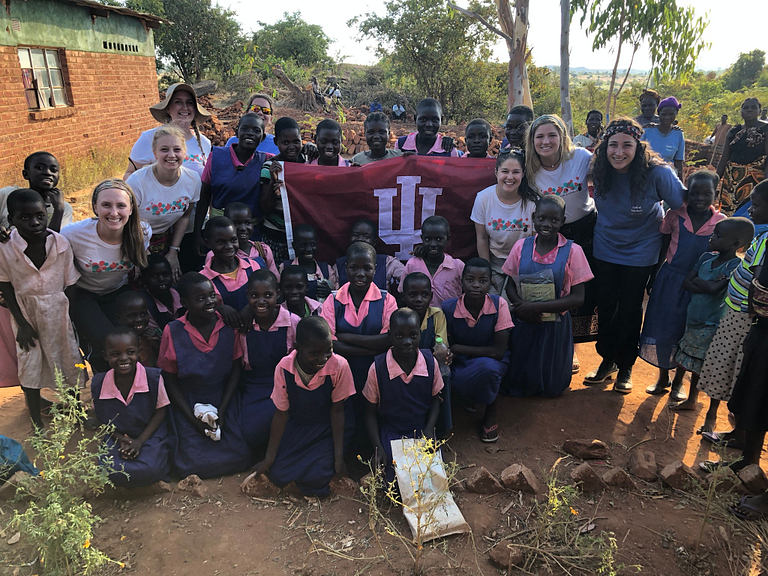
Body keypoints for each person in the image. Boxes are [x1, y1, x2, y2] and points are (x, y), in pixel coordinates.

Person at [584, 118, 685, 393]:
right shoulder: (599, 168)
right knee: (605, 306)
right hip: (605, 247)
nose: (619, 152)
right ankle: (607, 361)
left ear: (638, 147)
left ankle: (626, 366)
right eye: (613, 145)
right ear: (604, 147)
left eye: (627, 145)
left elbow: (682, 206)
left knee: (629, 309)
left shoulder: (658, 173)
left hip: (642, 251)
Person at [0, 189, 85, 429]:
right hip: (25, 314)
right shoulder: (6, 247)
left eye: (39, 215)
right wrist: (22, 324)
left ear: (46, 214)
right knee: (30, 366)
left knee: (69, 360)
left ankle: (75, 410)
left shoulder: (60, 243)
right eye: (24, 217)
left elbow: (71, 284)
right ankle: (36, 420)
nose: (34, 222)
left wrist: (71, 318)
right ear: (11, 219)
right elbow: (5, 286)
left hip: (59, 312)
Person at [158, 272, 253, 478]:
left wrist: (224, 409)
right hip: (189, 400)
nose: (209, 302)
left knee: (240, 456)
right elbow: (170, 380)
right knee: (187, 464)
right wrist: (193, 420)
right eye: (200, 299)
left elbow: (236, 369)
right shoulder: (173, 331)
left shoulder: (228, 325)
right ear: (185, 303)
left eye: (211, 296)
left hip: (223, 396)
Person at [640, 170, 725, 398]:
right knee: (665, 327)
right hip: (670, 279)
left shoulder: (721, 223)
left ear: (715, 194)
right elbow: (663, 245)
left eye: (706, 193)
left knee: (687, 331)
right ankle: (663, 377)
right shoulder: (675, 214)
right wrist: (653, 276)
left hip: (699, 286)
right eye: (694, 193)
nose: (699, 198)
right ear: (686, 193)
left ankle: (679, 381)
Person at [695, 182, 768, 438]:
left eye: (756, 205)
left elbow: (759, 283)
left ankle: (736, 428)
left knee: (730, 367)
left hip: (742, 318)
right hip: (736, 313)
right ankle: (723, 423)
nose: (750, 209)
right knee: (727, 367)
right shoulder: (762, 237)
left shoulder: (765, 241)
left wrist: (751, 310)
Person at [501, 195, 593, 397]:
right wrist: (521, 306)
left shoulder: (573, 251)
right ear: (534, 218)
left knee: (551, 385)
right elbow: (509, 284)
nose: (547, 224)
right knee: (519, 378)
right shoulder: (521, 247)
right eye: (542, 218)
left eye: (554, 220)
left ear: (562, 221)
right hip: (525, 321)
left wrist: (535, 307)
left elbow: (578, 298)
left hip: (555, 325)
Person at [254, 316, 354, 497]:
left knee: (320, 474)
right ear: (298, 348)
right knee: (278, 473)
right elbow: (281, 414)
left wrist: (339, 458)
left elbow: (338, 411)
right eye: (315, 353)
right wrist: (269, 457)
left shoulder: (339, 366)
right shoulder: (284, 368)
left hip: (328, 427)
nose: (323, 358)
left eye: (328, 351)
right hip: (300, 424)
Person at [666, 218, 753, 425]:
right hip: (693, 318)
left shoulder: (735, 265)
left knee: (705, 366)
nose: (712, 238)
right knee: (685, 356)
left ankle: (711, 414)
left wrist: (701, 282)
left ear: (735, 244)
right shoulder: (706, 258)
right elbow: (688, 283)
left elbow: (713, 289)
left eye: (719, 236)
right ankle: (690, 398)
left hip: (712, 324)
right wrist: (705, 283)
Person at [526, 114, 597, 356]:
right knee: (554, 287)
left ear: (562, 137)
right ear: (532, 141)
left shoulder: (580, 158)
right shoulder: (529, 168)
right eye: (540, 136)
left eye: (552, 135)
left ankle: (573, 348)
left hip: (585, 230)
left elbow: (608, 175)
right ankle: (551, 343)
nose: (546, 141)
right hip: (552, 232)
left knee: (580, 290)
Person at [62, 179, 150, 373]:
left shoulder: (142, 233)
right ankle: (104, 390)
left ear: (131, 208)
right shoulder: (73, 234)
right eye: (106, 205)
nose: (114, 212)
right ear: (95, 207)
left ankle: (134, 389)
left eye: (121, 206)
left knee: (127, 342)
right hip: (84, 293)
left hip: (119, 291)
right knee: (105, 343)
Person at [125, 84, 211, 274]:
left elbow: (203, 181)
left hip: (186, 223)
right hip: (150, 224)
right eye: (178, 102)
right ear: (168, 108)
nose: (184, 107)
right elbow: (130, 175)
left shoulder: (204, 142)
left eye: (189, 103)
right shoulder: (149, 138)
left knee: (183, 271)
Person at [320, 241, 397, 431]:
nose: (360, 274)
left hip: (376, 370)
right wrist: (371, 347)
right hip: (342, 371)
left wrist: (345, 337)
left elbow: (389, 340)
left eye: (367, 268)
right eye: (354, 268)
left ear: (375, 269)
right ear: (346, 268)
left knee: (373, 414)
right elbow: (328, 342)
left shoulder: (387, 299)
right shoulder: (333, 299)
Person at [364, 308, 443, 481]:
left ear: (420, 335)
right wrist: (378, 448)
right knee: (395, 480)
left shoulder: (430, 363)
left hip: (421, 431)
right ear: (390, 335)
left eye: (413, 335)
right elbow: (369, 412)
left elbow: (435, 400)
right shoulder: (378, 368)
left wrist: (429, 430)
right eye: (400, 336)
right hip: (392, 432)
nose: (407, 341)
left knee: (429, 479)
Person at [442, 258, 512, 443]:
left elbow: (498, 352)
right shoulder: (448, 308)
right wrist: (454, 352)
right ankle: (467, 399)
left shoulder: (499, 305)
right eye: (470, 279)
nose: (476, 285)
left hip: (491, 360)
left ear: (491, 283)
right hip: (459, 363)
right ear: (461, 281)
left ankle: (491, 412)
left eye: (483, 281)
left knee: (487, 370)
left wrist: (459, 348)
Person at [92, 326, 172, 487]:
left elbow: (160, 411)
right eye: (115, 354)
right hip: (117, 436)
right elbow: (103, 419)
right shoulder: (99, 383)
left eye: (130, 352)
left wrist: (140, 441)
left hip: (149, 433)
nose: (123, 358)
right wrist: (122, 440)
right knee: (108, 467)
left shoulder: (153, 378)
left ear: (139, 352)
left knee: (150, 467)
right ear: (105, 356)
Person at [126, 124, 201, 279]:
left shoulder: (193, 180)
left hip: (165, 239)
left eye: (177, 149)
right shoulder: (137, 182)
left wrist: (173, 251)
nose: (171, 155)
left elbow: (185, 216)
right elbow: (127, 221)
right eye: (164, 149)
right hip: (133, 238)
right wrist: (141, 254)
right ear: (154, 153)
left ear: (185, 152)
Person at [238, 270, 300, 448]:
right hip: (255, 386)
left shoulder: (293, 323)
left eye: (268, 295)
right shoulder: (244, 327)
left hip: (287, 384)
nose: (261, 301)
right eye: (254, 296)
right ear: (247, 296)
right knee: (249, 433)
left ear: (278, 295)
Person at [195, 113, 271, 254]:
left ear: (263, 137)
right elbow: (204, 195)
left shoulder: (266, 160)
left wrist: (310, 149)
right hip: (219, 234)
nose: (250, 133)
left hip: (251, 235)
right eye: (245, 129)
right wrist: (198, 233)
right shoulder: (217, 156)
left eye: (256, 130)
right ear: (237, 132)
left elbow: (291, 159)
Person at [723, 253, 768, 473]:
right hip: (762, 328)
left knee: (756, 395)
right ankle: (749, 462)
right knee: (755, 397)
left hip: (764, 329)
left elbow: (760, 297)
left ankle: (750, 462)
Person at [471, 149, 537, 297]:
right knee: (491, 303)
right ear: (496, 172)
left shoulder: (532, 203)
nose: (510, 177)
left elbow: (534, 242)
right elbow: (481, 238)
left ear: (523, 174)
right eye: (505, 171)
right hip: (495, 264)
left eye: (516, 172)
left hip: (523, 265)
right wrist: (486, 272)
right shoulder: (483, 198)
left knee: (512, 306)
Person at [401, 272, 452, 436]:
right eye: (412, 295)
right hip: (404, 363)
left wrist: (441, 352)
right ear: (403, 296)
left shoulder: (436, 315)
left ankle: (441, 426)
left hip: (430, 365)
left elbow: (440, 345)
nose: (418, 299)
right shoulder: (400, 317)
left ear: (431, 296)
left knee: (444, 374)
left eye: (424, 295)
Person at [260, 117, 310, 262]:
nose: (292, 147)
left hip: (300, 237)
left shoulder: (307, 162)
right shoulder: (269, 167)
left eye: (296, 141)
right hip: (274, 235)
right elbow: (264, 207)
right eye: (285, 143)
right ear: (276, 142)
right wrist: (271, 184)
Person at [199, 217, 261, 328]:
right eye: (220, 242)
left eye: (233, 240)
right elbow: (199, 312)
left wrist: (252, 306)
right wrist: (218, 308)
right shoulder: (203, 280)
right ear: (208, 243)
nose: (229, 247)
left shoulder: (252, 266)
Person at [716, 98, 768, 215]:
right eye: (746, 107)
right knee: (728, 215)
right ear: (741, 112)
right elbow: (724, 159)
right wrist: (714, 181)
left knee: (752, 214)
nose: (749, 110)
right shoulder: (734, 131)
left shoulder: (766, 129)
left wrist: (765, 183)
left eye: (753, 107)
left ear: (760, 111)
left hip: (755, 182)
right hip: (730, 182)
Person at [0, 151, 73, 233]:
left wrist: (58, 210)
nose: (48, 173)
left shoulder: (63, 208)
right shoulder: (6, 195)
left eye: (53, 170)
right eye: (40, 168)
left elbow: (53, 241)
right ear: (26, 174)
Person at [400, 215, 464, 307]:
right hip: (418, 319)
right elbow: (402, 294)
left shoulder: (458, 266)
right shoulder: (412, 264)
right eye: (428, 239)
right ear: (422, 238)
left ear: (448, 239)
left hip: (449, 319)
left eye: (439, 239)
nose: (433, 244)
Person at [333, 219, 404, 291]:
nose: (360, 239)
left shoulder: (387, 262)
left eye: (366, 237)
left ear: (374, 242)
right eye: (356, 235)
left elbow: (407, 277)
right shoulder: (339, 265)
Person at [280, 224, 337, 300]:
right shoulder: (285, 267)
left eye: (312, 244)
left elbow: (337, 294)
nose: (309, 249)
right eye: (303, 245)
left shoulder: (326, 270)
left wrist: (329, 292)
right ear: (294, 246)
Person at [223, 202, 278, 276]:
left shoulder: (262, 250)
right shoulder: (219, 254)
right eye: (236, 223)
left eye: (248, 223)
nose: (243, 228)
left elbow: (274, 279)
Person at [396, 98, 460, 157]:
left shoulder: (448, 149)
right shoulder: (401, 144)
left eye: (434, 120)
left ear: (441, 120)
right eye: (423, 120)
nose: (429, 124)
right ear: (415, 119)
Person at [115, 290, 161, 368]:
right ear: (119, 319)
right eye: (132, 316)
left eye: (143, 314)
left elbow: (167, 357)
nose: (139, 319)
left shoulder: (155, 334)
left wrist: (157, 344)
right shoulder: (116, 340)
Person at [641, 97, 685, 179]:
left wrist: (680, 185)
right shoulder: (647, 131)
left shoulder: (678, 134)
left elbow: (678, 162)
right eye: (664, 114)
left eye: (671, 114)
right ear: (659, 114)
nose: (667, 117)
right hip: (648, 176)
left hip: (669, 177)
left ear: (676, 114)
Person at [140, 253, 183, 331]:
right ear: (144, 279)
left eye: (166, 274)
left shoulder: (182, 294)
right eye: (154, 276)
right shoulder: (145, 304)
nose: (161, 280)